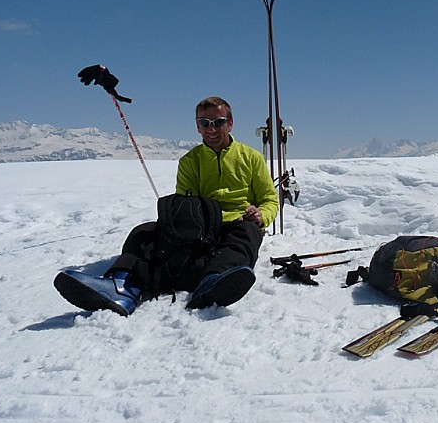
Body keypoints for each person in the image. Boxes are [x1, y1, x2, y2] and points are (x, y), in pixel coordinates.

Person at [55, 96, 279, 315]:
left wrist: (261, 216)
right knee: (143, 232)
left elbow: (270, 198)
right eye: (205, 123)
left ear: (230, 124)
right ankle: (121, 285)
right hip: (203, 226)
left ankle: (214, 282)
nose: (211, 129)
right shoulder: (190, 161)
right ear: (198, 127)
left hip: (238, 223)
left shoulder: (251, 158)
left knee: (248, 233)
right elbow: (185, 205)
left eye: (218, 122)